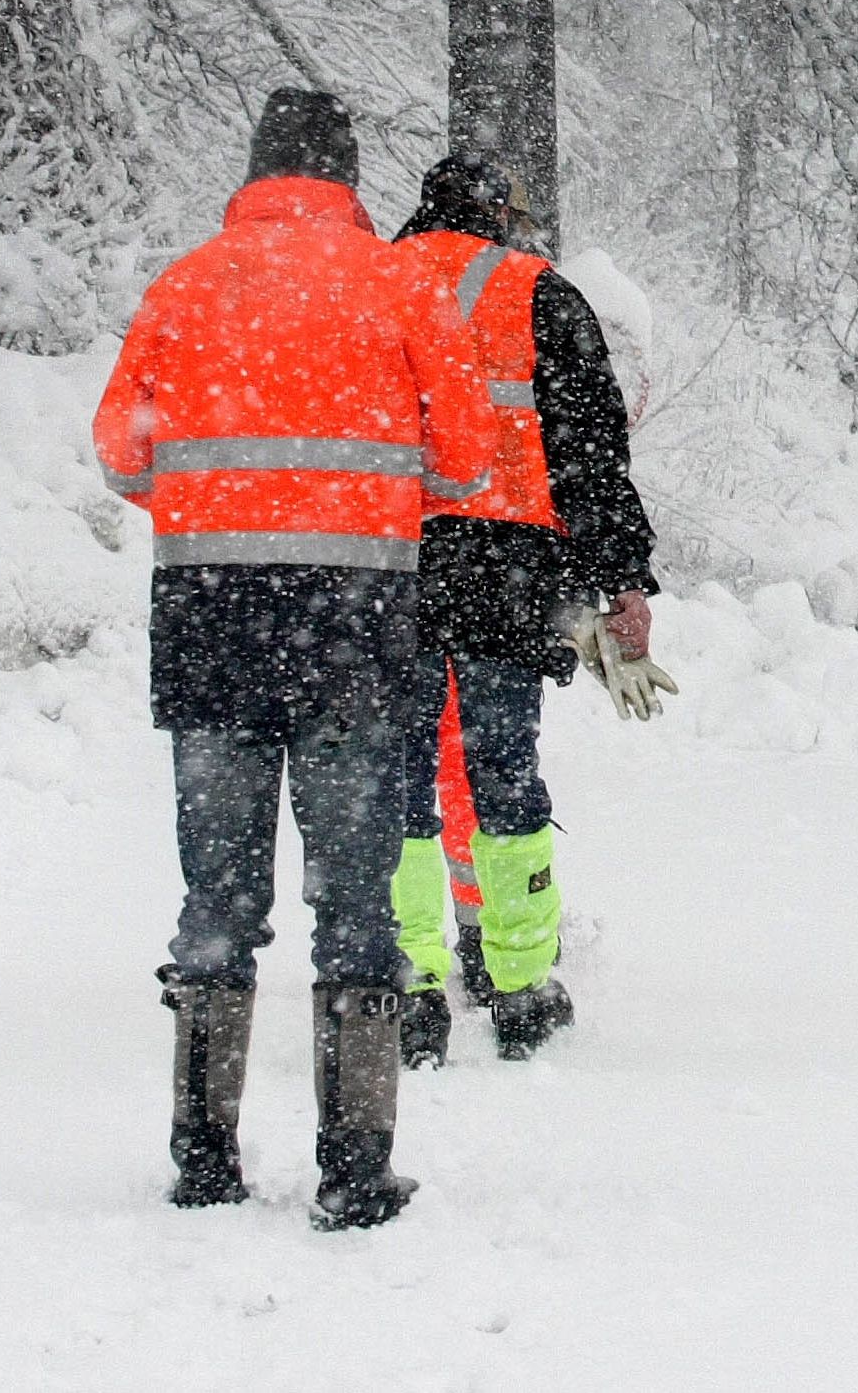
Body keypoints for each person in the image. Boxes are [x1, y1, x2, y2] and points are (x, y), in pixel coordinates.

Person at [92, 89, 498, 1229]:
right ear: (349, 179)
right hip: (354, 627)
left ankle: (205, 1154)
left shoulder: (184, 286)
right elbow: (465, 463)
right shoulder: (397, 289)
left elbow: (122, 453)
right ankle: (355, 1167)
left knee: (217, 896)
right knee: (355, 897)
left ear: (255, 169)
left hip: (211, 615)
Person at [389, 154, 664, 1065]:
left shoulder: (370, 288)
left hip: (387, 562)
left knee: (396, 777)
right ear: (498, 217)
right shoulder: (539, 295)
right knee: (502, 768)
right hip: (507, 572)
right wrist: (620, 582)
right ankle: (515, 987)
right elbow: (590, 456)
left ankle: (407, 983)